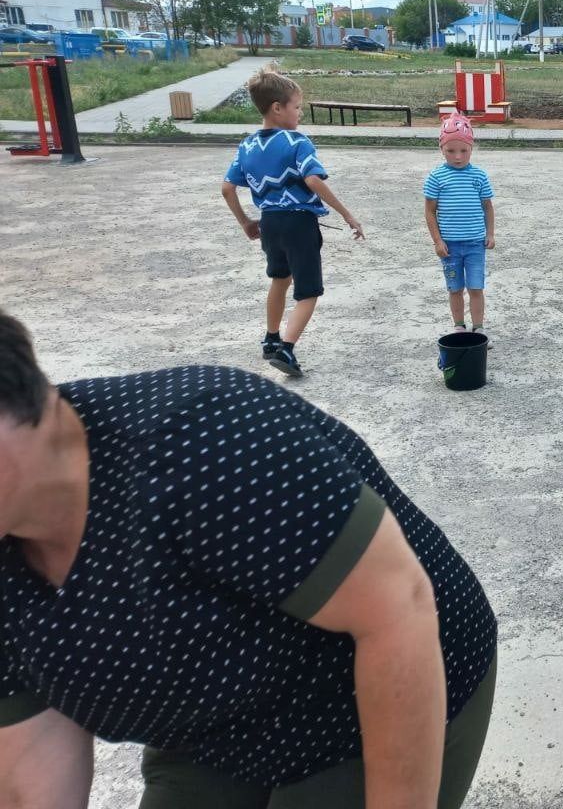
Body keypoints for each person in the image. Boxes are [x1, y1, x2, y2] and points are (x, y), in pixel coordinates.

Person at [0, 310, 497, 809]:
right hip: (219, 729)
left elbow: (398, 611)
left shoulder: (203, 443)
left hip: (369, 695)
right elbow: (31, 772)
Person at [221, 66, 364, 378]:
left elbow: (227, 188)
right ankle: (287, 348)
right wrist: (346, 213)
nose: (300, 113)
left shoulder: (246, 145)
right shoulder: (297, 142)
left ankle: (271, 338)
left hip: (269, 223)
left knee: (280, 279)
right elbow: (313, 179)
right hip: (299, 223)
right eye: (297, 107)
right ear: (277, 108)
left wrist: (246, 221)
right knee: (308, 292)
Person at [424, 114, 496, 337]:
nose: (457, 157)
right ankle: (458, 325)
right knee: (455, 288)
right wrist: (437, 240)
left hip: (475, 244)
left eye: (463, 151)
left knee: (476, 287)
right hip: (450, 247)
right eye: (451, 151)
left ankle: (479, 328)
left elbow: (487, 207)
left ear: (471, 148)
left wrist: (490, 233)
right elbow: (429, 211)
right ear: (441, 149)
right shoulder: (436, 177)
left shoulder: (479, 176)